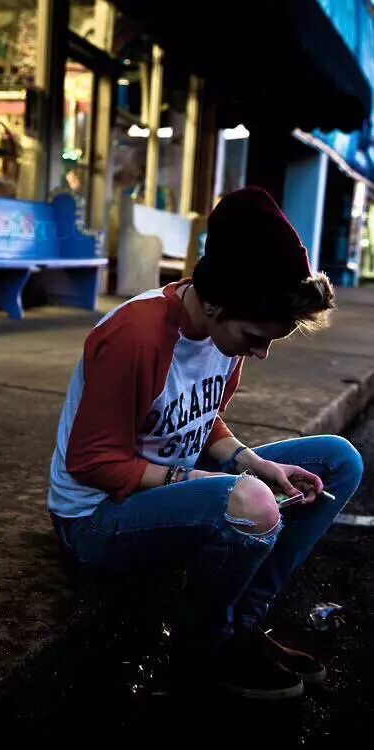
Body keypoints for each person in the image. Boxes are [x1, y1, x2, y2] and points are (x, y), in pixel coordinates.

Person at [47, 186, 364, 700]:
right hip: (95, 518)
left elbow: (200, 418)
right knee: (252, 505)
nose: (260, 353)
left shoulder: (224, 335)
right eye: (255, 337)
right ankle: (202, 648)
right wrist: (206, 481)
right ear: (215, 303)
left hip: (163, 485)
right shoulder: (136, 336)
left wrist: (253, 462)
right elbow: (91, 461)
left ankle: (242, 624)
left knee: (339, 461)